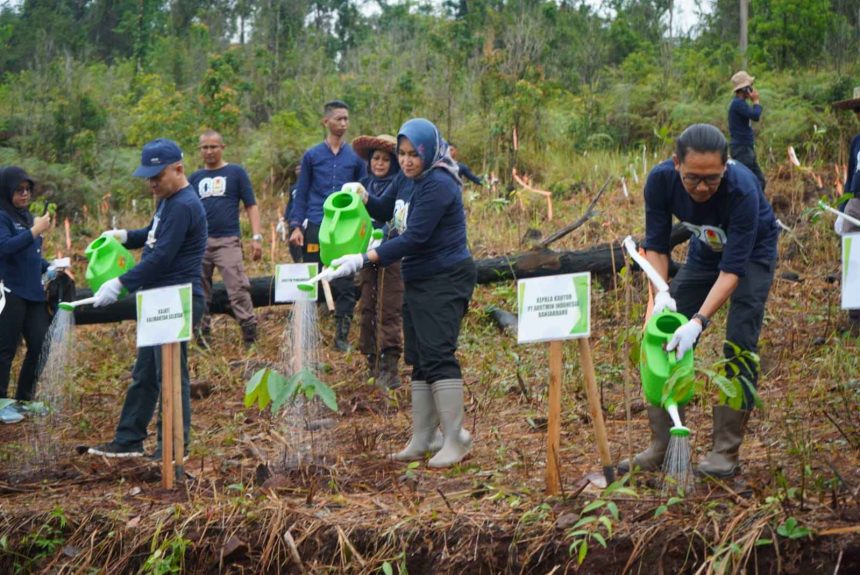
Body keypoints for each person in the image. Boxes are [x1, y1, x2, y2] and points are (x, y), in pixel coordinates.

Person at [619, 124, 779, 478]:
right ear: (676, 164)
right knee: (658, 339)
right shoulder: (660, 182)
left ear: (726, 166)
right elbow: (657, 248)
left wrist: (698, 322)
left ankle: (725, 451)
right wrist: (658, 297)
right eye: (693, 179)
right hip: (705, 251)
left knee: (739, 343)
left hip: (752, 256)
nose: (703, 188)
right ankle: (662, 446)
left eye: (712, 179)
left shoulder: (742, 189)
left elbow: (733, 270)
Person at [326, 118, 476, 468]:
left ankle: (456, 437)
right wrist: (363, 196)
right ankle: (425, 436)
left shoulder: (438, 184)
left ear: (429, 151)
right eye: (403, 154)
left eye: (414, 155)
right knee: (421, 357)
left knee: (439, 353)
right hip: (420, 278)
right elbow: (385, 209)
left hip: (445, 276)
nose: (407, 161)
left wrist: (364, 258)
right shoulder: (406, 181)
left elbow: (414, 237)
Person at [87, 139, 207, 458]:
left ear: (178, 169)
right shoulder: (168, 200)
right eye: (148, 177)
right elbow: (152, 235)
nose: (152, 183)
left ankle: (171, 449)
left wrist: (120, 284)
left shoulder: (184, 204)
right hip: (158, 300)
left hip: (176, 300)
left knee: (169, 375)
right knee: (145, 373)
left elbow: (161, 259)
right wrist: (124, 237)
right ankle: (128, 439)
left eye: (157, 176)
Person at [287, 100, 367, 351]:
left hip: (343, 229)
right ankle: (305, 333)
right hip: (315, 222)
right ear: (326, 121)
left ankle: (341, 335)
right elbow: (302, 192)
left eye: (346, 119)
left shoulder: (355, 156)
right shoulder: (312, 156)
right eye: (338, 119)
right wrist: (296, 225)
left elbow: (364, 191)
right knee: (310, 276)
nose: (343, 123)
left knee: (343, 278)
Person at [189, 129, 261, 348]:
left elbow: (251, 205)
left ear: (222, 148)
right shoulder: (195, 178)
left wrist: (256, 237)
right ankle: (202, 336)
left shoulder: (235, 173)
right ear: (200, 150)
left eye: (213, 147)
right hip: (199, 243)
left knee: (238, 287)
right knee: (198, 291)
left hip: (227, 240)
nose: (209, 151)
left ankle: (250, 334)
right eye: (205, 147)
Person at [0, 167, 59, 424]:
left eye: (28, 190)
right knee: (6, 348)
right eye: (18, 190)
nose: (24, 195)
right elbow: (5, 247)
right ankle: (1, 401)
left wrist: (50, 267)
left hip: (33, 292)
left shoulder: (27, 217)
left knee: (40, 343)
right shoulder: (2, 216)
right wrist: (35, 231)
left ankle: (25, 398)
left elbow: (30, 252)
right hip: (9, 290)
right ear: (7, 191)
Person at [351, 133, 403, 389]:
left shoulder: (400, 185)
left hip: (392, 251)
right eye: (376, 159)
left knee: (389, 305)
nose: (380, 164)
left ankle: (389, 366)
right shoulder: (363, 185)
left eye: (385, 159)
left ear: (393, 162)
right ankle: (370, 361)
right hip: (365, 252)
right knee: (368, 304)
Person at [831, 87, 860, 335]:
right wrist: (842, 210)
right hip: (856, 205)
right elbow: (850, 176)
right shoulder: (857, 142)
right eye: (857, 111)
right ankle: (856, 319)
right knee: (853, 259)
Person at [728, 70, 766, 191]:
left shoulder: (740, 104)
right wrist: (756, 102)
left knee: (759, 181)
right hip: (742, 149)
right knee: (747, 183)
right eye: (750, 87)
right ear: (744, 89)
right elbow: (755, 115)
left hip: (744, 148)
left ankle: (756, 206)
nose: (752, 89)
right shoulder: (738, 104)